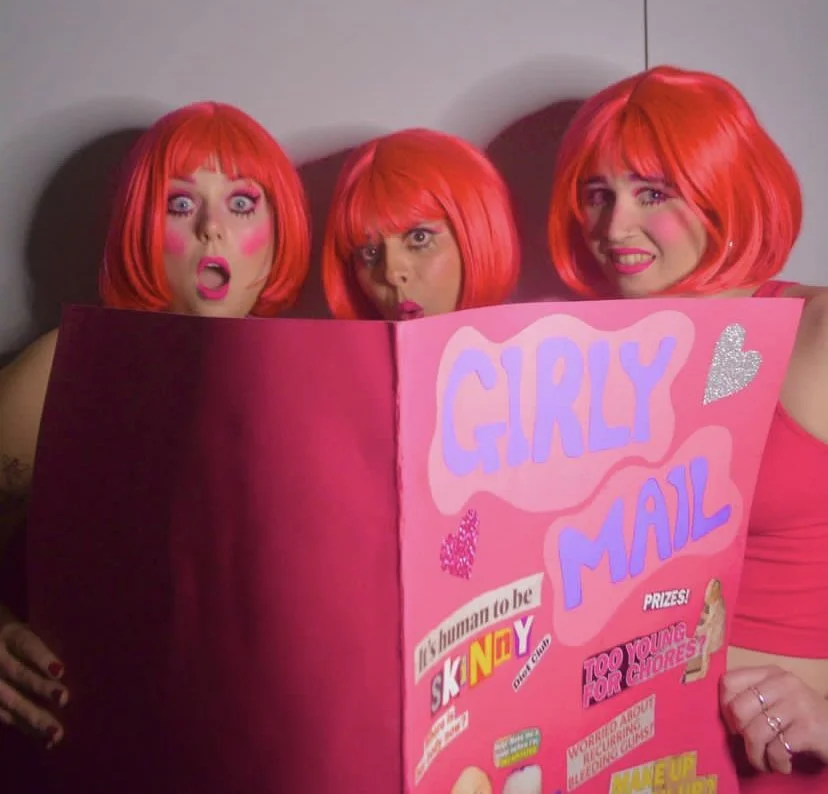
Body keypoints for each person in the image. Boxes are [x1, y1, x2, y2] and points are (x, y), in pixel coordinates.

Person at [547, 64, 828, 789]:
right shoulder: (576, 355)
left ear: (721, 191)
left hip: (779, 767)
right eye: (596, 195)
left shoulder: (818, 336)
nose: (614, 227)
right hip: (620, 762)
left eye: (653, 193)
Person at [0, 100, 310, 748]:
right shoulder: (58, 370)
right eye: (180, 205)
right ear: (141, 228)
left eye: (242, 205)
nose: (211, 232)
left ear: (279, 235)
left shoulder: (320, 379)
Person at [321, 128, 520, 321]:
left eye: (419, 238)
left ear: (477, 235)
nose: (392, 274)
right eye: (370, 252)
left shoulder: (541, 348)